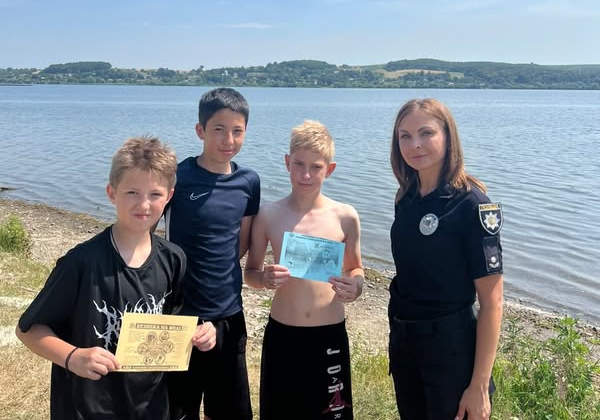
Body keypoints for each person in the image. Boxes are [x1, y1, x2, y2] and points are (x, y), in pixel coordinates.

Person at [15, 136, 216, 420]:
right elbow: (28, 330)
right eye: (132, 192)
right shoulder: (81, 263)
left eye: (155, 194)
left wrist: (202, 331)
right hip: (89, 406)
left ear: (169, 196)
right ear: (112, 193)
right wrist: (73, 357)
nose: (144, 204)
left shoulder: (174, 259)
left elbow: (179, 319)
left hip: (150, 404)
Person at [388, 99, 504, 420]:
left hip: (452, 351)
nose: (415, 144)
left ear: (448, 136)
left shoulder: (472, 204)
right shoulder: (406, 197)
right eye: (405, 136)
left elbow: (492, 301)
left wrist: (479, 385)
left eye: (426, 133)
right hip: (406, 345)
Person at [245, 120, 364, 420]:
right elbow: (251, 273)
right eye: (298, 164)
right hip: (282, 333)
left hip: (329, 335)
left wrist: (356, 286)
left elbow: (355, 268)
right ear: (287, 162)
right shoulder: (268, 214)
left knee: (332, 413)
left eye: (316, 167)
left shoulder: (345, 216)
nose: (306, 174)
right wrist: (265, 278)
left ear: (330, 169)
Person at [165, 87, 261, 420]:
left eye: (237, 131)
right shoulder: (178, 176)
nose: (228, 139)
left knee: (231, 409)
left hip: (228, 313)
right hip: (180, 312)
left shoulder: (249, 182)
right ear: (200, 130)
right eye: (219, 129)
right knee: (179, 408)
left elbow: (241, 244)